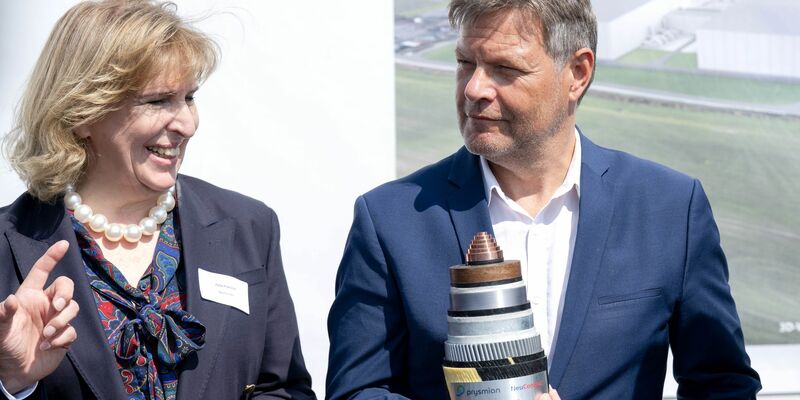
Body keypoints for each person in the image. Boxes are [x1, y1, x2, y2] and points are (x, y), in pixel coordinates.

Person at [326, 0, 761, 398]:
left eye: (504, 69)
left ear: (577, 73)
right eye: (464, 63)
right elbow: (356, 391)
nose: (474, 87)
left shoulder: (669, 208)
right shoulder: (389, 219)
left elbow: (723, 386)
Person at [0, 1, 315, 399]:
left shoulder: (247, 226)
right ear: (82, 113)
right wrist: (11, 382)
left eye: (189, 98)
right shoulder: (8, 246)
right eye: (157, 101)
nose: (187, 124)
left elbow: (283, 388)